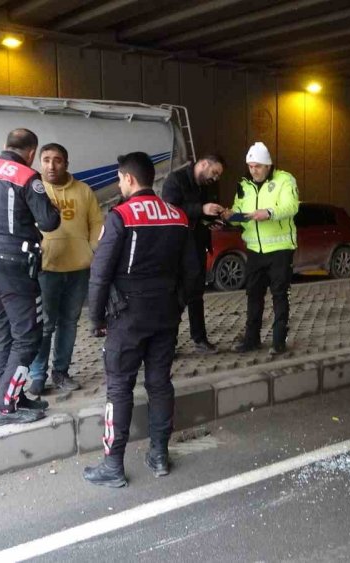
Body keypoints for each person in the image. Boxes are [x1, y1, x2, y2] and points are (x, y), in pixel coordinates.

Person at [83, 152, 198, 488]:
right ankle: (159, 456)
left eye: (119, 179)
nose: (119, 184)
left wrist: (95, 318)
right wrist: (178, 307)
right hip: (165, 315)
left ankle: (113, 466)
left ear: (129, 179)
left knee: (119, 387)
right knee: (160, 384)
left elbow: (100, 273)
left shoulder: (120, 216)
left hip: (127, 318)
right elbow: (192, 273)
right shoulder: (177, 217)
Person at [0, 129, 61, 425]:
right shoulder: (27, 177)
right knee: (29, 335)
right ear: (31, 152)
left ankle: (11, 394)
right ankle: (6, 406)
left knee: (1, 333)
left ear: (6, 145)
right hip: (15, 268)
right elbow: (49, 221)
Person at [27, 143, 103, 396]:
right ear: (40, 162)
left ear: (66, 163)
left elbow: (96, 223)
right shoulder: (34, 189)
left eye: (57, 160)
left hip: (78, 269)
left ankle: (61, 372)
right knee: (45, 325)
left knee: (69, 323)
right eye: (46, 159)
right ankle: (37, 375)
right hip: (46, 269)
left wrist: (91, 251)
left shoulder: (83, 191)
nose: (51, 165)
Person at [224, 142, 300, 356]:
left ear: (268, 166)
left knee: (279, 295)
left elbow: (291, 206)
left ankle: (278, 341)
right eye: (250, 166)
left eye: (258, 166)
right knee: (253, 295)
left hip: (280, 249)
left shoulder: (285, 179)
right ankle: (252, 340)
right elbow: (241, 211)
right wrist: (231, 217)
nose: (253, 170)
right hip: (255, 250)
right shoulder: (244, 184)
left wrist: (268, 212)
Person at [160, 153, 226, 354]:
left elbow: (201, 217)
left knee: (197, 295)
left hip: (197, 247)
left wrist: (212, 220)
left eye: (218, 176)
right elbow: (171, 210)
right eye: (214, 173)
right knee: (176, 297)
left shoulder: (206, 186)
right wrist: (201, 208)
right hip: (178, 249)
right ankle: (167, 344)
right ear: (204, 163)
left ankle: (200, 339)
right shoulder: (175, 180)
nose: (215, 178)